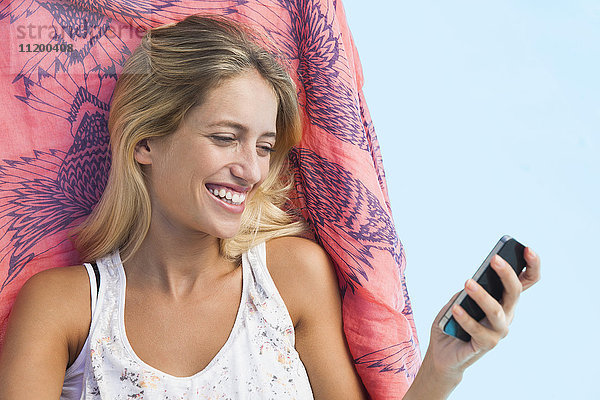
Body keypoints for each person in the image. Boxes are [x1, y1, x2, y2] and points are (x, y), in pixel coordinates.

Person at [0, 14, 540, 400]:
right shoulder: (63, 309)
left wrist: (443, 371)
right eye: (225, 136)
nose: (252, 170)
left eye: (263, 146)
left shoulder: (290, 276)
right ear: (146, 141)